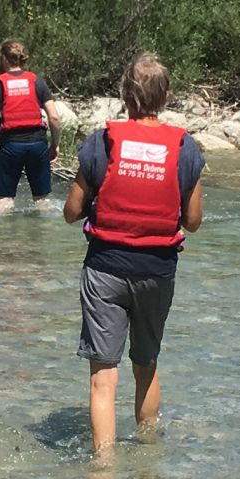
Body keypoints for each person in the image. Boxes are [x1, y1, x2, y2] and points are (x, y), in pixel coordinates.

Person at [64, 52, 204, 456]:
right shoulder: (186, 149)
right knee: (146, 363)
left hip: (105, 269)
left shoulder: (101, 143)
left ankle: (103, 469)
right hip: (156, 272)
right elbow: (193, 221)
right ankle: (147, 461)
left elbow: (71, 212)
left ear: (125, 95)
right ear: (167, 97)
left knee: (103, 377)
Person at [0, 40, 59, 212]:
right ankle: (45, 227)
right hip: (38, 144)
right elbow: (54, 117)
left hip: (11, 146)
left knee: (5, 200)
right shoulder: (37, 81)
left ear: (4, 58)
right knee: (42, 200)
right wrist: (55, 144)